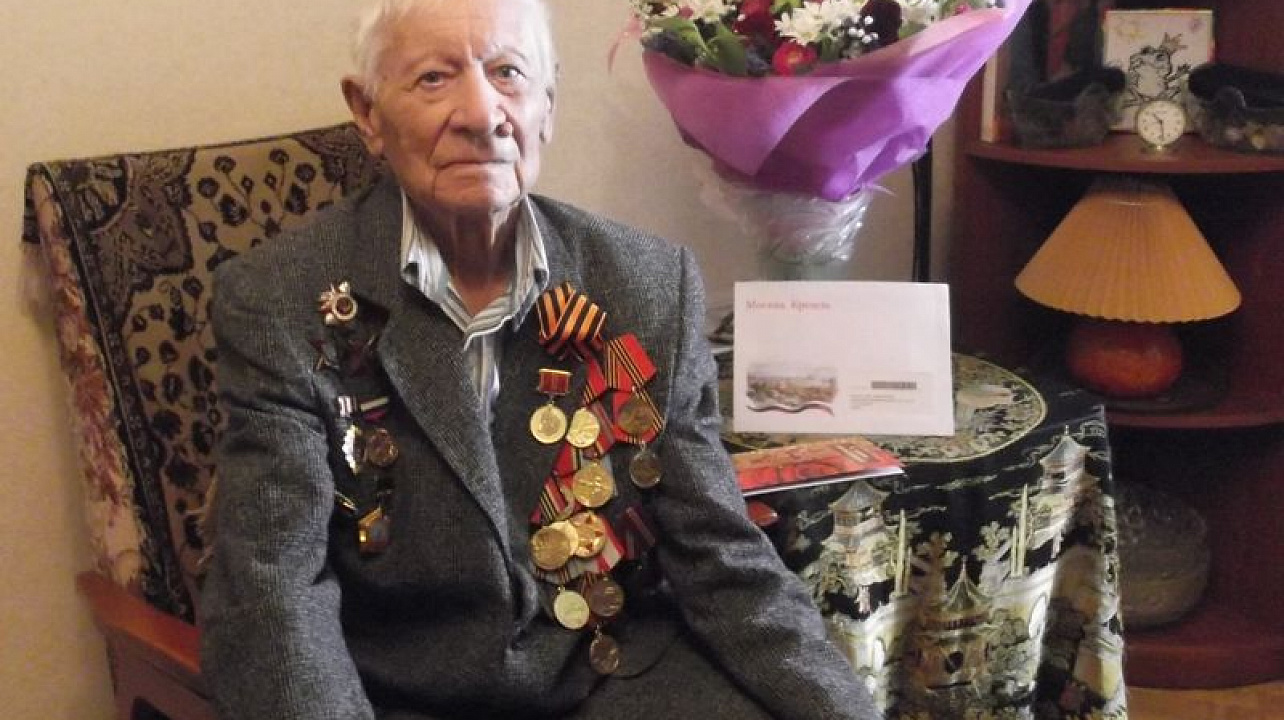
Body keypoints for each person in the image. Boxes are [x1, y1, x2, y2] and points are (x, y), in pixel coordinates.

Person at [199, 0, 878, 718]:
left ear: (547, 104)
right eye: (434, 78)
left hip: (611, 678)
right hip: (400, 693)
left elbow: (720, 558)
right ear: (367, 113)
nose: (481, 113)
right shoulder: (282, 301)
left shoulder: (646, 285)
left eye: (509, 73)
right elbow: (273, 592)